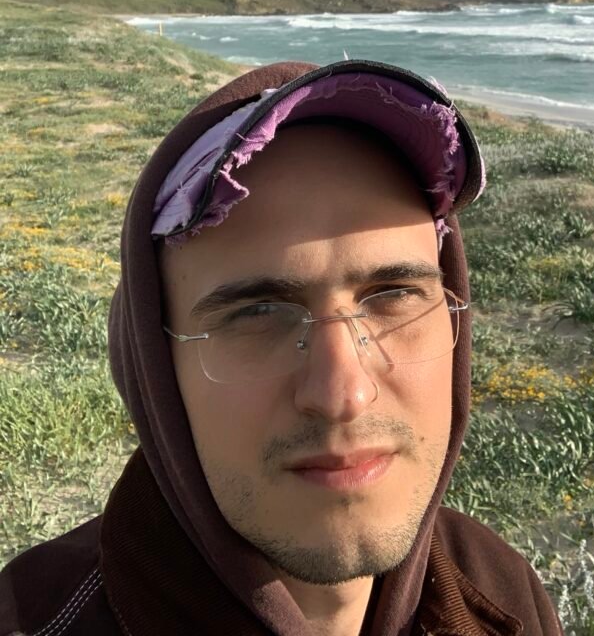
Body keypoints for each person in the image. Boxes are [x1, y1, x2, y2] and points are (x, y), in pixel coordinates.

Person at [0, 59, 563, 636]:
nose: (345, 394)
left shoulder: (500, 589)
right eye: (258, 313)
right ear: (156, 372)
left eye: (393, 295)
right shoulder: (32, 615)